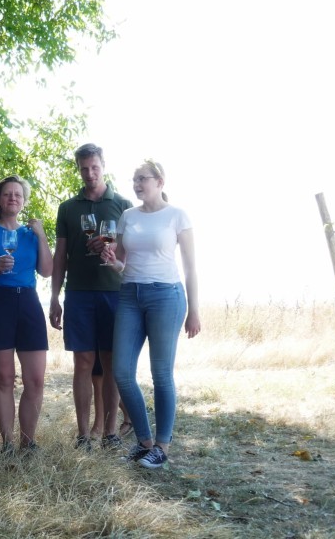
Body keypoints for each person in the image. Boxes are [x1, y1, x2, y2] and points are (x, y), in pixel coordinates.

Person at [102, 160, 201, 469]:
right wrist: (111, 261)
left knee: (161, 374)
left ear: (160, 181)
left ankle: (163, 446)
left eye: (142, 178)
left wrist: (194, 310)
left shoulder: (177, 216)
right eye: (134, 179)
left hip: (166, 296)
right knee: (121, 372)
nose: (137, 183)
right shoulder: (127, 217)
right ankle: (145, 442)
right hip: (130, 294)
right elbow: (122, 264)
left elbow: (190, 267)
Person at [49, 144, 133, 451]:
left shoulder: (124, 205)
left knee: (111, 363)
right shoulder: (68, 208)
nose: (90, 173)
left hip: (114, 293)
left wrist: (111, 253)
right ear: (79, 169)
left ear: (103, 166)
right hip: (79, 293)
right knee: (82, 362)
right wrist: (54, 297)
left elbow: (131, 254)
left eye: (94, 167)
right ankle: (83, 435)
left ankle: (110, 433)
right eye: (84, 168)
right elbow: (60, 256)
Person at [0, 175, 53, 453]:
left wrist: (41, 236)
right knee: (3, 378)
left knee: (36, 380)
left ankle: (28, 443)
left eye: (18, 195)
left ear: (24, 201)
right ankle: (7, 444)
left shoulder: (31, 234)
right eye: (7, 194)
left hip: (28, 303)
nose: (12, 198)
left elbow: (47, 270)